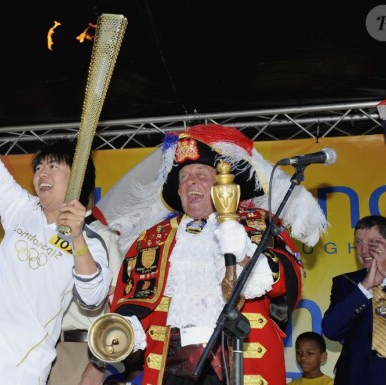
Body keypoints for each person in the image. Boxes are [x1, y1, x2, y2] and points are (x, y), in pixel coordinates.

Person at [105, 124, 327, 385]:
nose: (191, 181)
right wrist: (126, 328)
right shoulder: (153, 238)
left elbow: (289, 282)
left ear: (224, 184)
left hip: (235, 359)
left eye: (201, 173)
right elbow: (132, 298)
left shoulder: (259, 226)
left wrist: (244, 254)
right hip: (171, 366)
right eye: (185, 177)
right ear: (178, 192)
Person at [0, 68, 112, 385]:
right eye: (40, 167)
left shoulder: (92, 242)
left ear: (78, 178)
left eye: (54, 167)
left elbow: (92, 298)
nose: (42, 173)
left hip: (21, 368)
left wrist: (78, 239)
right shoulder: (21, 208)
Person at [47, 192, 123, 385]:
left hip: (84, 351)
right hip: (49, 349)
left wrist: (98, 364)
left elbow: (117, 308)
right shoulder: (50, 234)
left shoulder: (103, 236)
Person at [322, 215, 386, 385]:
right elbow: (331, 329)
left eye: (373, 243)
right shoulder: (345, 283)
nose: (364, 250)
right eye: (359, 242)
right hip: (358, 375)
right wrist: (365, 286)